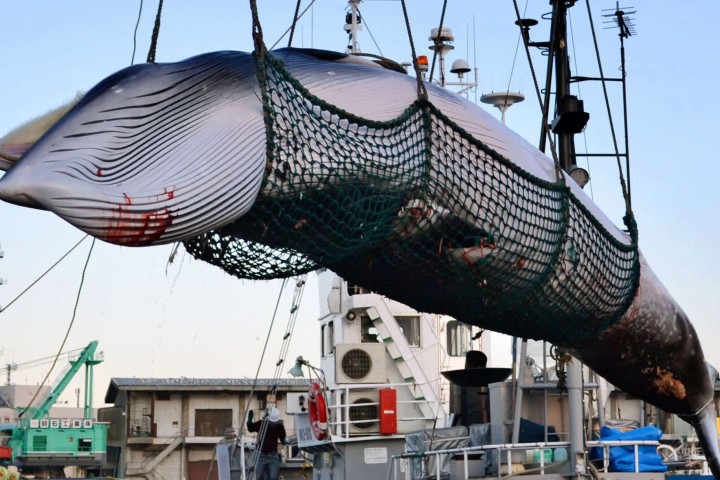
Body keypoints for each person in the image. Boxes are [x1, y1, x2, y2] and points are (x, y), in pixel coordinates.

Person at [246, 407, 286, 480]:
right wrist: (249, 420)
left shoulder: (279, 427)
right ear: (268, 419)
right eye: (271, 423)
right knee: (259, 477)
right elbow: (250, 428)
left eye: (275, 423)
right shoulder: (262, 424)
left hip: (273, 456)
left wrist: (284, 442)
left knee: (273, 477)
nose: (273, 424)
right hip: (260, 455)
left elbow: (282, 438)